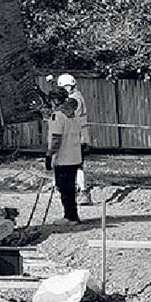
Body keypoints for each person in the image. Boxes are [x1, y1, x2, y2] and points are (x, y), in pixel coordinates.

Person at [53, 72, 91, 204]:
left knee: (75, 166)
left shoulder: (74, 99)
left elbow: (65, 112)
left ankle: (83, 192)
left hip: (77, 137)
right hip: (77, 136)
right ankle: (75, 191)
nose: (65, 90)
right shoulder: (75, 97)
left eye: (66, 87)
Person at [47, 95, 84, 223]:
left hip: (62, 158)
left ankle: (69, 217)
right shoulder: (75, 118)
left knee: (63, 188)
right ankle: (72, 215)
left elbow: (56, 138)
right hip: (74, 157)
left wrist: (49, 155)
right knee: (70, 187)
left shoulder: (57, 116)